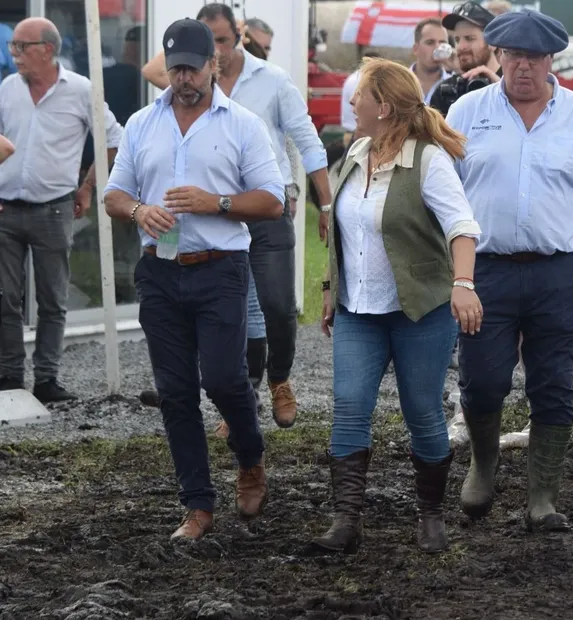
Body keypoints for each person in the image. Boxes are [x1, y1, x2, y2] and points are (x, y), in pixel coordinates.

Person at [446, 10, 573, 531]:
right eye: (514, 56)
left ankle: (542, 497)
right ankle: (484, 465)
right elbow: (441, 189)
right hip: (486, 270)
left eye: (535, 58)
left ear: (552, 61)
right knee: (482, 380)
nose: (523, 67)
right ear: (498, 55)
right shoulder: (466, 112)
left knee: (554, 381)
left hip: (557, 270)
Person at [103, 18, 286, 541]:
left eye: (192, 67)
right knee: (176, 392)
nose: (183, 78)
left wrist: (217, 203)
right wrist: (139, 211)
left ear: (215, 64)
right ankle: (198, 506)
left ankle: (250, 458)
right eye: (175, 68)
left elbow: (273, 201)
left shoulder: (242, 124)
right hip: (159, 272)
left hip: (220, 269)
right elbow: (116, 195)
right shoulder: (142, 122)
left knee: (225, 380)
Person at [313, 58, 482, 555]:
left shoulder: (427, 160)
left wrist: (464, 284)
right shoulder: (356, 151)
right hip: (357, 311)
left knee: (423, 412)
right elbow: (341, 232)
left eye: (359, 95)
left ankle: (431, 516)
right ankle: (346, 522)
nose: (351, 102)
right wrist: (329, 287)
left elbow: (462, 227)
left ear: (383, 107)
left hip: (420, 311)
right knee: (349, 406)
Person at [141, 4, 334, 430]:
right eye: (210, 43)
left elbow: (308, 141)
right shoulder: (186, 85)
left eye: (224, 40)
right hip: (212, 218)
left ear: (240, 34)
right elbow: (151, 67)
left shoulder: (273, 81)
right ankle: (242, 397)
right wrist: (191, 44)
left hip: (265, 207)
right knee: (235, 308)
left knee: (278, 303)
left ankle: (279, 378)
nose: (219, 51)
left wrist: (325, 203)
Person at [0, 17, 123, 403]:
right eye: (13, 47)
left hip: (54, 209)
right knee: (5, 297)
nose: (13, 53)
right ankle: (9, 377)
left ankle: (47, 380)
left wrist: (86, 187)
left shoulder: (82, 90)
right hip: (6, 209)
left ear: (47, 50)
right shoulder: (7, 88)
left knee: (52, 299)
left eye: (21, 46)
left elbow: (113, 140)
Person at [430, 2, 502, 118]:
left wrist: (502, 90)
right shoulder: (446, 92)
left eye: (469, 39)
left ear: (492, 42)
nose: (461, 47)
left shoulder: (513, 83)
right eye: (457, 40)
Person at [410, 18, 449, 103]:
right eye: (430, 42)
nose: (437, 48)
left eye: (442, 43)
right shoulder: (398, 82)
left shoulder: (454, 85)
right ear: (415, 49)